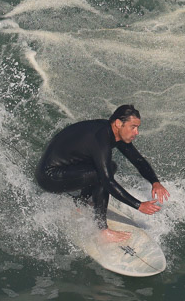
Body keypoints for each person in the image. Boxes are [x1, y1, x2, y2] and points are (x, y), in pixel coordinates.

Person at [36, 104, 171, 243]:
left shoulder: (112, 132)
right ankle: (102, 230)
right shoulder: (100, 138)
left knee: (109, 167)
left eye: (137, 128)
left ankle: (82, 204)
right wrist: (139, 205)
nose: (136, 132)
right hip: (49, 177)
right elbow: (107, 181)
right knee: (104, 175)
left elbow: (137, 160)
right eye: (133, 127)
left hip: (67, 169)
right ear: (119, 123)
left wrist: (155, 182)